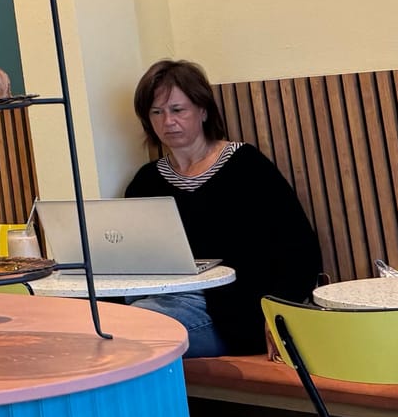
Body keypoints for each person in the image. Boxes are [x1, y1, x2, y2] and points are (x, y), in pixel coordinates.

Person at [122, 59, 320, 357]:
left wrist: (279, 311)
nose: (168, 122)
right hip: (160, 300)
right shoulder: (146, 182)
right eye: (156, 112)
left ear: (202, 110)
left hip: (233, 314)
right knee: (102, 327)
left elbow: (300, 249)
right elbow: (130, 258)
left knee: (132, 336)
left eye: (178, 110)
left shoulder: (246, 166)